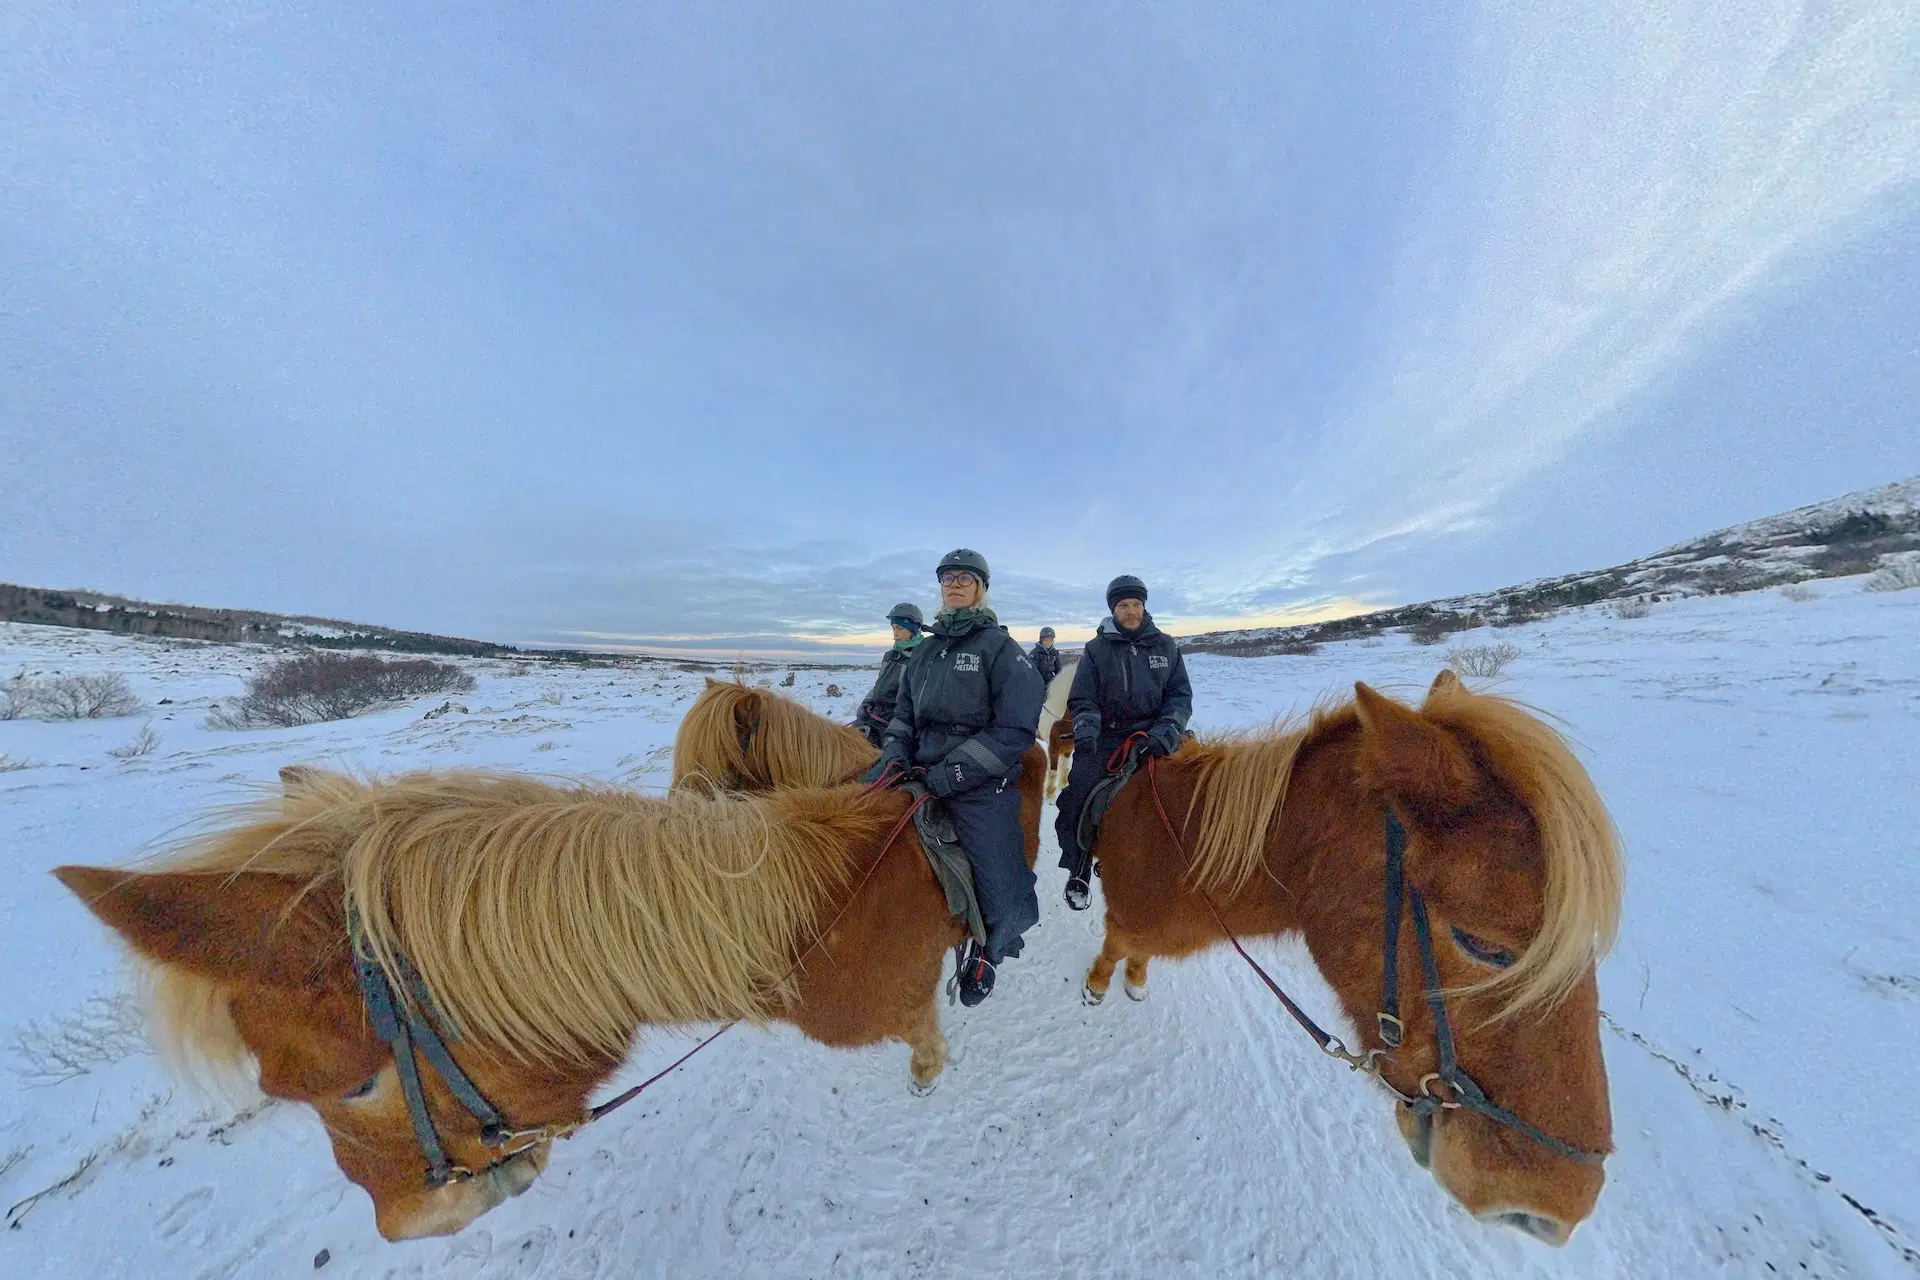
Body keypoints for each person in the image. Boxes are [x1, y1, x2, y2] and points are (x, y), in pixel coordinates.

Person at [864, 549, 1044, 1006]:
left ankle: (991, 946)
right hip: (918, 763)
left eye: (965, 578)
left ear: (981, 588)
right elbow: (903, 713)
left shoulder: (1000, 649)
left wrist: (955, 772)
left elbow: (1015, 727)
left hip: (979, 775)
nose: (954, 584)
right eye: (947, 578)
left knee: (998, 869)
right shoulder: (925, 650)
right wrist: (895, 754)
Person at [1054, 574, 1193, 908]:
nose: (1130, 611)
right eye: (1123, 606)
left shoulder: (1166, 645)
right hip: (1109, 737)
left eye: (1135, 604)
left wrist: (1165, 733)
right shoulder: (1096, 650)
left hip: (1157, 735)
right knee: (1076, 799)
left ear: (1144, 607)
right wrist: (1087, 731)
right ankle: (1080, 865)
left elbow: (1180, 696)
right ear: (1113, 611)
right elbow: (1083, 698)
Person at [853, 603, 925, 747]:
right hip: (873, 717)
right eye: (893, 628)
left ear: (914, 629)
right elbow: (878, 685)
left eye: (900, 628)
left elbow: (916, 700)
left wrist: (896, 721)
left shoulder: (921, 657)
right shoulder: (890, 656)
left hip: (894, 723)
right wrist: (867, 702)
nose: (895, 633)